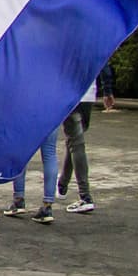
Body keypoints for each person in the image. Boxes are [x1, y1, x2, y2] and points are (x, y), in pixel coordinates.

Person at [4, 129, 57, 224]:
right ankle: (47, 206)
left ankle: (18, 200)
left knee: (20, 152)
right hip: (50, 115)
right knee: (50, 154)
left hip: (27, 116)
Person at [58, 81, 97, 213]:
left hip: (71, 93)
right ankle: (62, 185)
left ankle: (85, 195)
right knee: (74, 141)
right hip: (89, 95)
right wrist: (108, 90)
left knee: (77, 144)